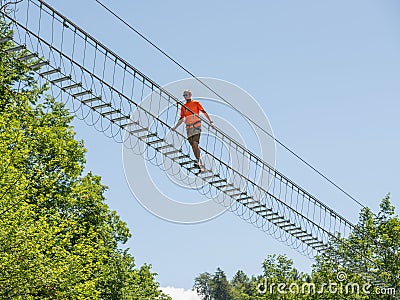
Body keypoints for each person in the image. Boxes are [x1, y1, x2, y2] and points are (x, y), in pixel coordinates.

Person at [172, 90, 214, 171]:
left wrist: (211, 122)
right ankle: (200, 162)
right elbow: (181, 118)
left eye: (187, 95)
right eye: (184, 95)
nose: (185, 96)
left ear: (190, 95)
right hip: (188, 127)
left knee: (195, 143)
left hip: (196, 126)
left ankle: (199, 162)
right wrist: (175, 127)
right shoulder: (183, 106)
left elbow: (203, 112)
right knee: (193, 146)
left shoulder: (196, 103)